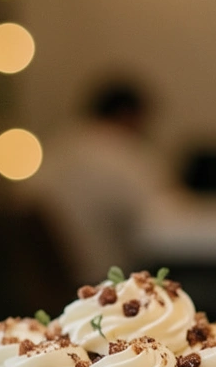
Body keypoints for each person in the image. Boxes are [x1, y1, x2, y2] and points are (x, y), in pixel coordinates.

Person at [26, 78, 177, 284]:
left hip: (46, 278)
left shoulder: (57, 147)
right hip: (100, 276)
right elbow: (164, 218)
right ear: (128, 115)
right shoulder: (124, 153)